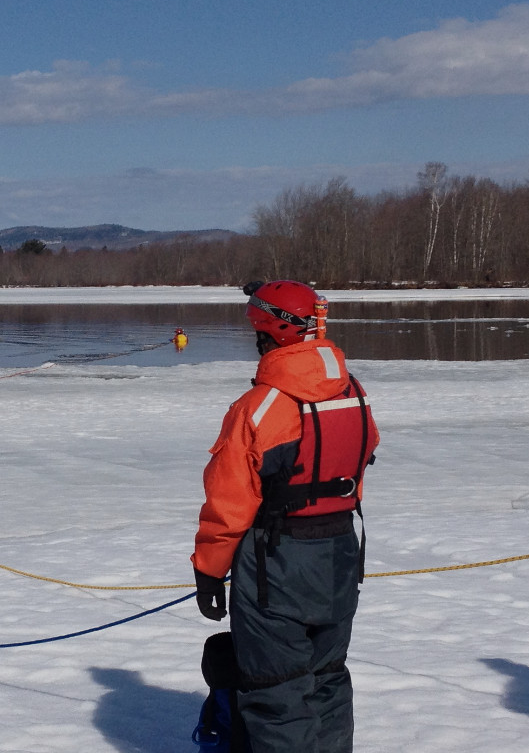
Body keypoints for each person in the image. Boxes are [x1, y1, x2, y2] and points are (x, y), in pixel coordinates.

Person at [192, 280, 378, 752]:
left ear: (268, 333)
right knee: (327, 681)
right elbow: (362, 454)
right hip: (339, 556)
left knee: (277, 694)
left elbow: (229, 501)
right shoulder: (353, 393)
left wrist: (209, 572)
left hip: (275, 570)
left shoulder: (261, 408)